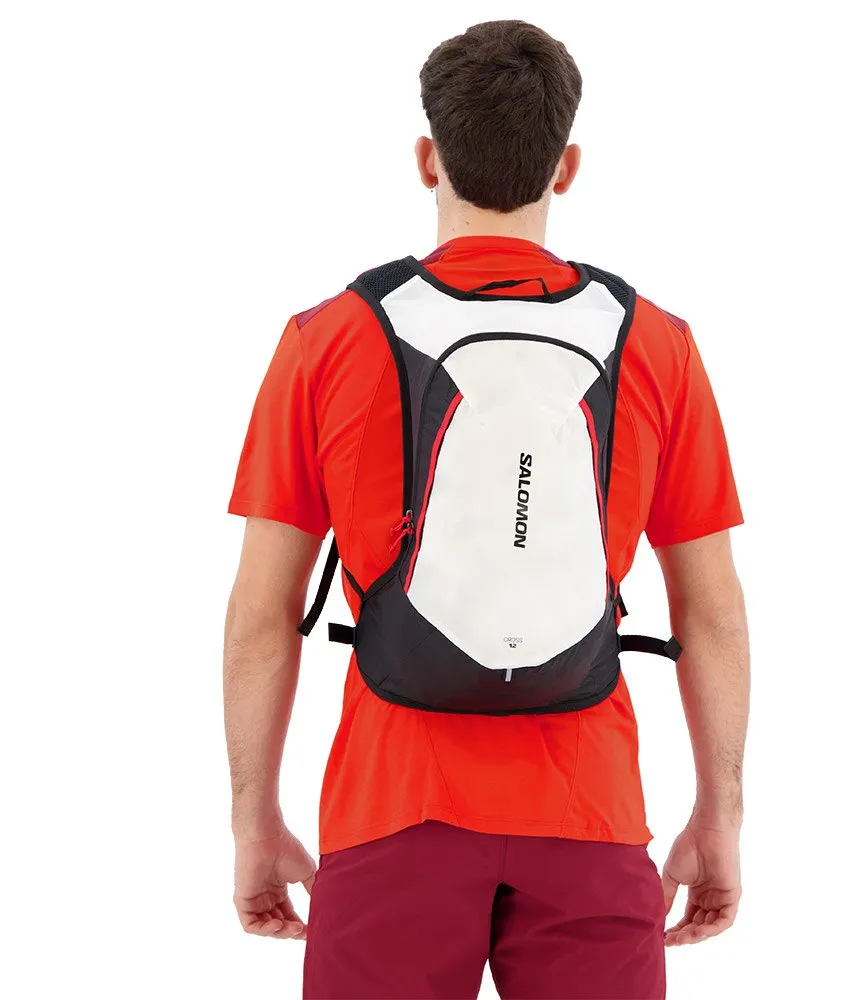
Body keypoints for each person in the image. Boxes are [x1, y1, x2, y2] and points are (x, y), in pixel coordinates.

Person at [224, 19, 749, 1000]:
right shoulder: (656, 343)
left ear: (428, 159)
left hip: (388, 809)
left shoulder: (328, 339)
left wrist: (254, 822)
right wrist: (719, 815)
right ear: (567, 166)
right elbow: (710, 610)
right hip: (592, 811)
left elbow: (262, 613)